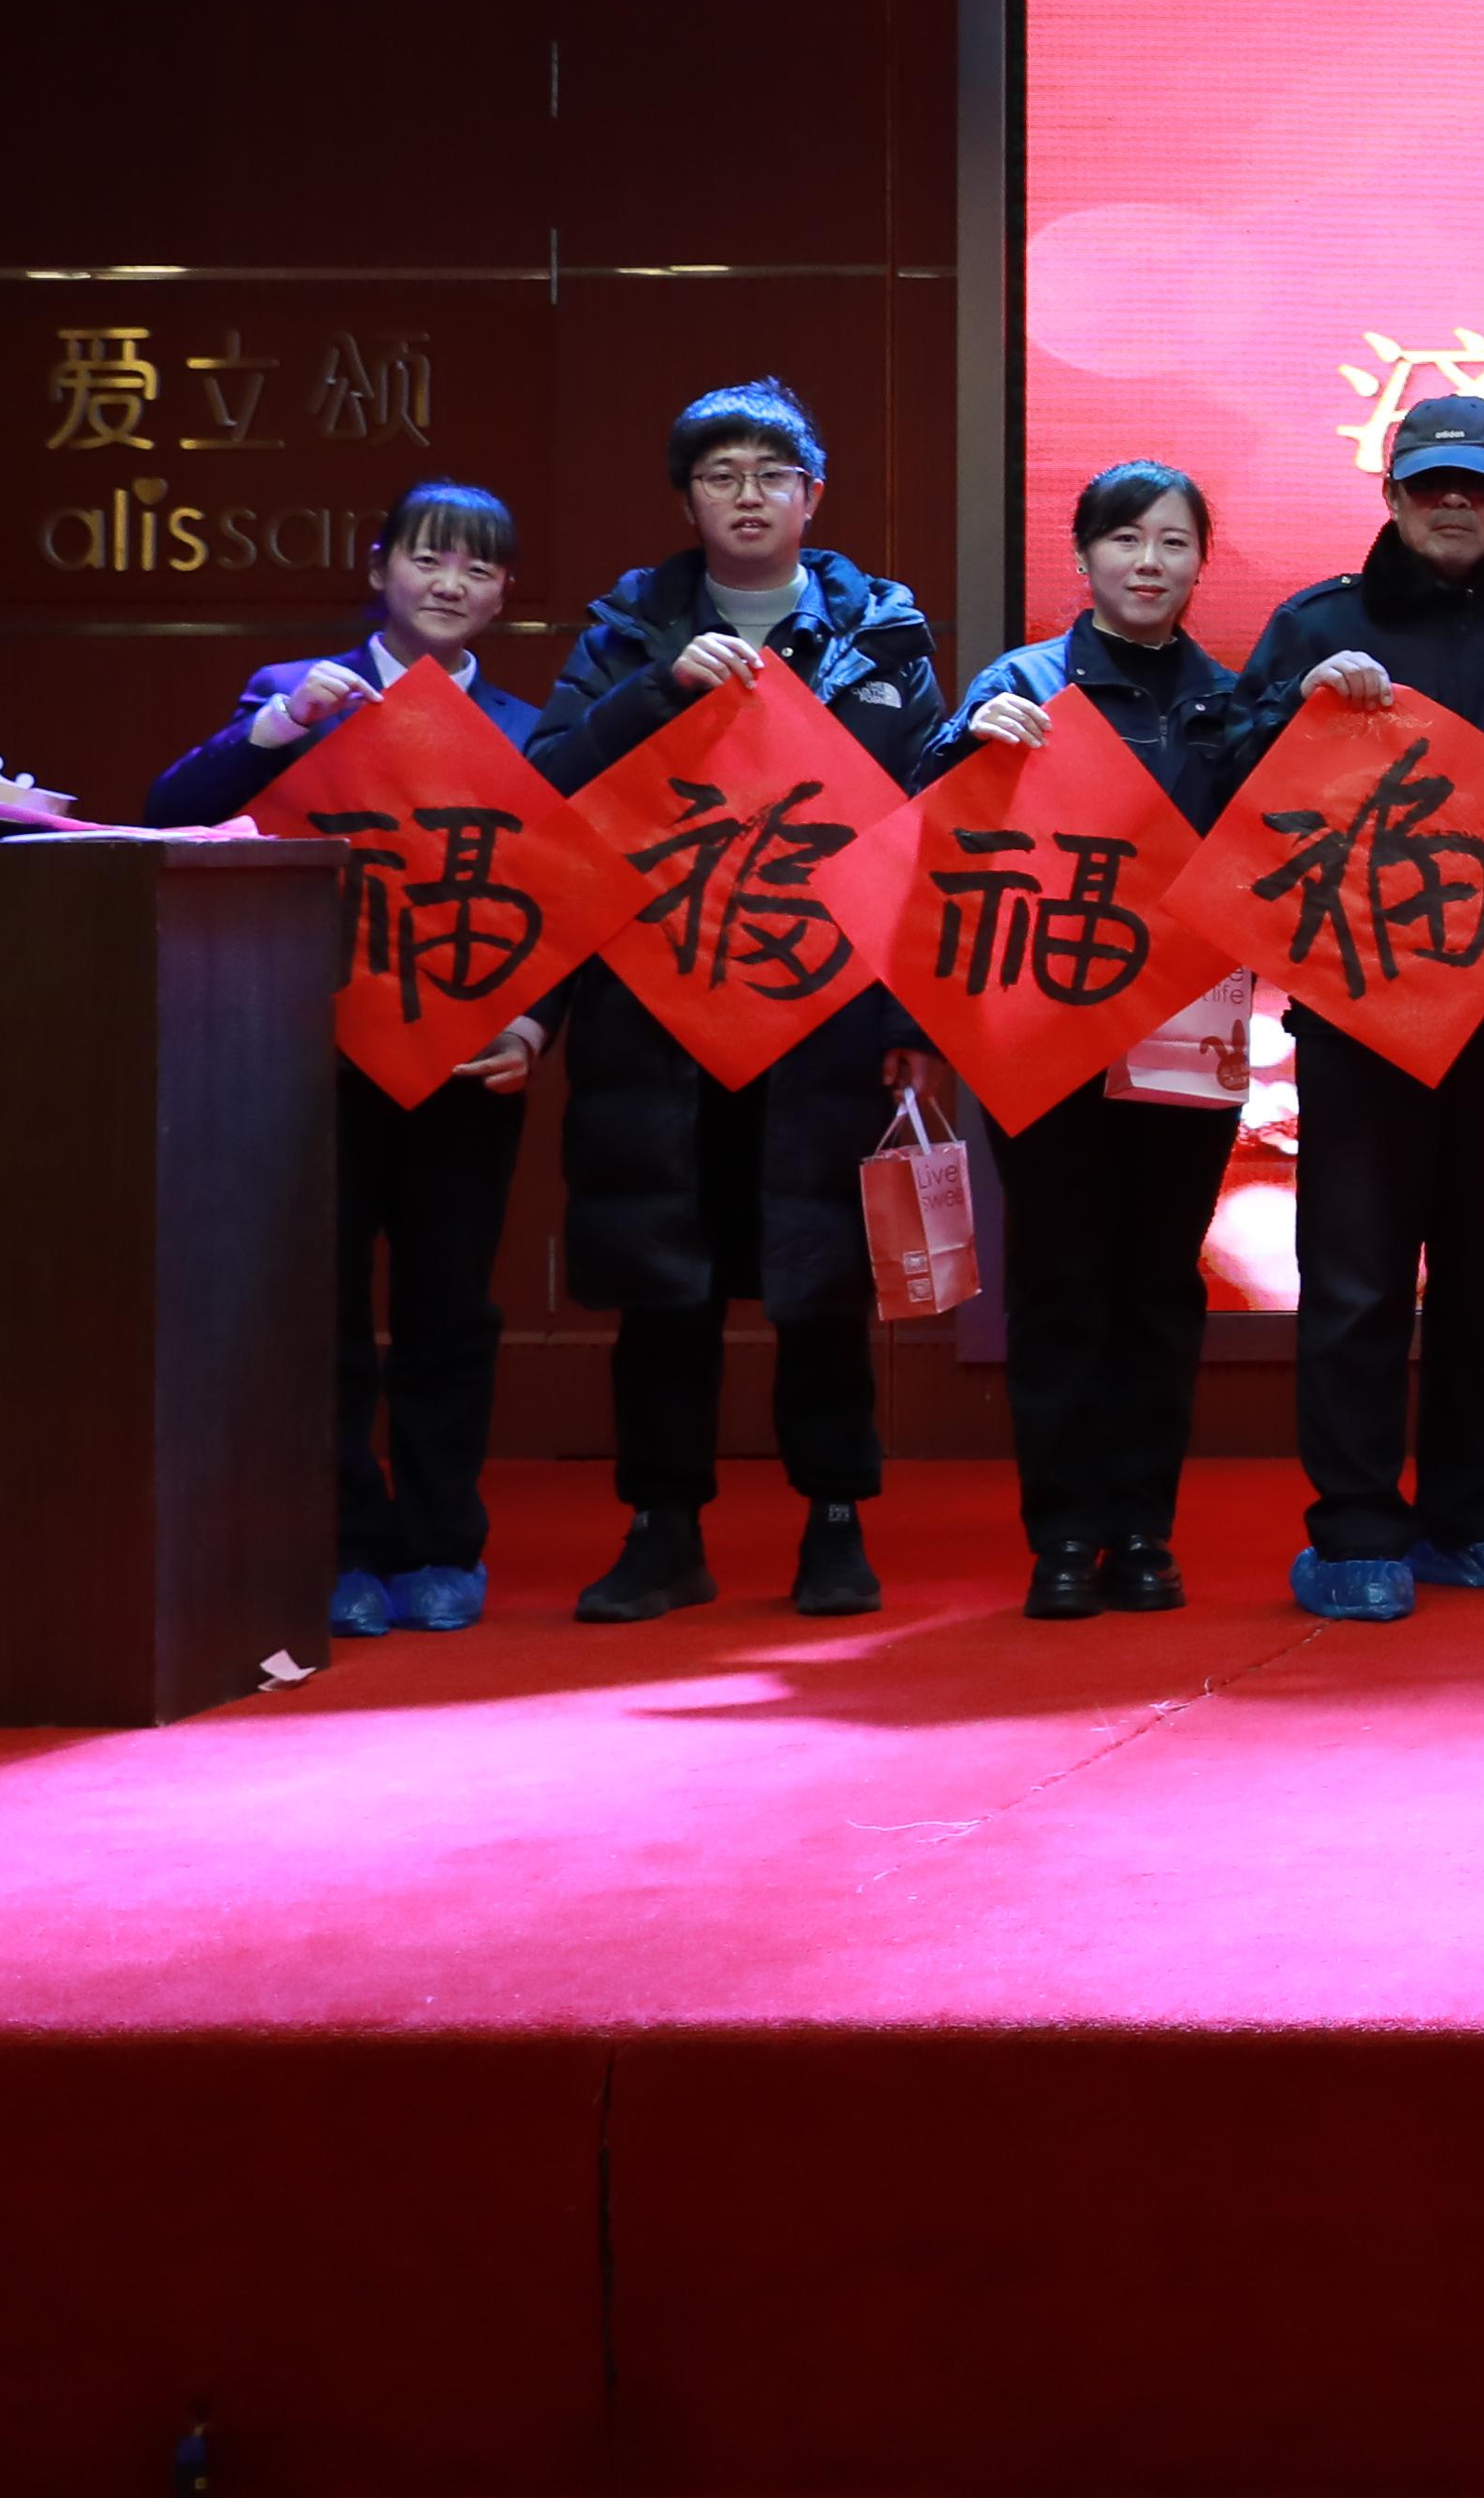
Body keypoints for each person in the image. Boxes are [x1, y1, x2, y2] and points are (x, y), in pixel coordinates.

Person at [534, 379, 947, 1627]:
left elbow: (924, 838)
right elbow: (547, 793)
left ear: (814, 496)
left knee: (823, 1284)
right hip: (658, 1011)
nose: (749, 496)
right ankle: (662, 1530)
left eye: (774, 474)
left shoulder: (882, 638)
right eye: (722, 476)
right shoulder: (628, 632)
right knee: (666, 1283)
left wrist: (909, 1025)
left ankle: (836, 1521)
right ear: (687, 501)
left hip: (823, 1013)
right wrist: (657, 692)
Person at [1221, 390, 1484, 1621]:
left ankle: (1475, 1514)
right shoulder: (1316, 625)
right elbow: (1232, 796)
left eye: (1478, 484)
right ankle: (1352, 1529)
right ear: (1390, 496)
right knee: (1355, 1273)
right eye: (1430, 484)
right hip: (1359, 1012)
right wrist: (1292, 712)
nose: (1454, 503)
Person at [144, 477, 553, 1637]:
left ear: (504, 593)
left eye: (477, 567)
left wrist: (533, 1026)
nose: (450, 583)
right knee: (320, 1314)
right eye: (428, 557)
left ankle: (444, 1542)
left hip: (467, 1066)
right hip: (311, 1061)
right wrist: (280, 727)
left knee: (447, 1312)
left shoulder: (532, 729)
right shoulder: (296, 692)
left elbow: (566, 901)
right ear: (379, 568)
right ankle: (345, 1546)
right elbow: (172, 807)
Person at [927, 460, 1254, 1619]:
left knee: (1159, 1279)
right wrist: (967, 744)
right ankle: (1064, 1533)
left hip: (1186, 1027)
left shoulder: (1232, 702)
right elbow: (930, 835)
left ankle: (1144, 1528)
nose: (1147, 562)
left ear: (1200, 563)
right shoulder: (1021, 684)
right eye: (1124, 539)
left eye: (1172, 542)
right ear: (1082, 555)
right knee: (1058, 1278)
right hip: (1043, 1023)